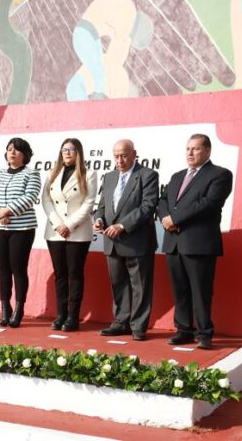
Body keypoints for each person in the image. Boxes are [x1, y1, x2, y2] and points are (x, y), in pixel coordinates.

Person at [157, 134, 233, 350]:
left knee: (201, 290)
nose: (190, 153)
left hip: (199, 243)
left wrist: (176, 219)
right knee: (179, 290)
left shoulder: (220, 174)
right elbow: (163, 201)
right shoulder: (177, 175)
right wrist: (165, 219)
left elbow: (209, 203)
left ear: (207, 151)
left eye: (196, 149)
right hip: (173, 242)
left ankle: (204, 333)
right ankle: (183, 330)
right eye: (188, 149)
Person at [94, 140, 159, 341]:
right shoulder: (109, 176)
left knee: (140, 285)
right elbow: (103, 205)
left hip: (137, 241)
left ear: (134, 154)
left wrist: (122, 226)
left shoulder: (148, 175)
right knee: (118, 284)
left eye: (123, 155)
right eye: (116, 156)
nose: (119, 160)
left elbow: (148, 206)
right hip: (112, 242)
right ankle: (120, 322)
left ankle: (139, 326)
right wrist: (98, 219)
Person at [0, 138, 41, 328]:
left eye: (16, 150)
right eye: (9, 150)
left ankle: (19, 309)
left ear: (25, 154)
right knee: (3, 269)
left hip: (22, 229)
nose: (12, 153)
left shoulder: (31, 173)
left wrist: (7, 211)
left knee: (18, 268)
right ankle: (5, 308)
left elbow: (30, 196)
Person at [41, 138, 97, 332]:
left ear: (78, 152)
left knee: (74, 274)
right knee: (60, 275)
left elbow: (89, 203)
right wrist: (59, 224)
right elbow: (46, 200)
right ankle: (60, 315)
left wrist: (69, 225)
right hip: (56, 232)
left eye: (71, 149)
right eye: (64, 149)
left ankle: (73, 316)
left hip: (77, 232)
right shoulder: (53, 173)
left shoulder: (89, 174)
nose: (67, 153)